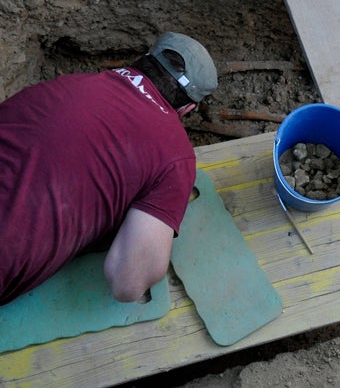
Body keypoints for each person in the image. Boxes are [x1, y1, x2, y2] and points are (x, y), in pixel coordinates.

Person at [0, 32, 218, 305]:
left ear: (142, 60)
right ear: (187, 109)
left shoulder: (65, 85)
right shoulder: (175, 155)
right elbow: (127, 282)